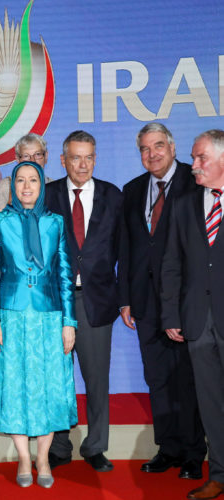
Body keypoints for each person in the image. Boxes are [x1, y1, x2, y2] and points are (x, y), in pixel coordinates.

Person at [118, 123, 206, 479]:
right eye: (144, 149)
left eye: (157, 146)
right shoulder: (133, 189)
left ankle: (192, 453)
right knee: (156, 378)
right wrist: (125, 298)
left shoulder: (193, 181)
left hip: (185, 301)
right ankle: (167, 448)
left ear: (173, 146)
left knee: (186, 378)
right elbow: (127, 248)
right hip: (143, 302)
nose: (151, 154)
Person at [0, 161, 77, 489]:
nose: (26, 187)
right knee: (15, 386)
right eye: (20, 181)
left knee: (50, 386)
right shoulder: (0, 221)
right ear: (12, 185)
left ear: (41, 186)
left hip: (50, 318)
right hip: (10, 317)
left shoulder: (55, 223)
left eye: (33, 181)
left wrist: (69, 322)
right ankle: (23, 457)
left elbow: (65, 275)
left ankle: (43, 457)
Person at [44, 130, 122, 472]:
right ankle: (59, 447)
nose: (83, 164)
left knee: (96, 379)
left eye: (89, 156)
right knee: (57, 378)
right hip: (55, 303)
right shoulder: (46, 196)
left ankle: (95, 446)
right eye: (75, 157)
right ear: (63, 160)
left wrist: (125, 298)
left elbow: (125, 250)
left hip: (97, 300)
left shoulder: (112, 195)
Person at [161, 129, 224, 500]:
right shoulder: (184, 204)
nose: (194, 165)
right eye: (194, 158)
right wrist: (171, 314)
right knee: (211, 405)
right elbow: (170, 264)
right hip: (198, 323)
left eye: (201, 158)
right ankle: (218, 474)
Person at [0, 133, 53, 235]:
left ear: (46, 156)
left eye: (38, 155)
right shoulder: (6, 187)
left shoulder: (54, 187)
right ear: (17, 159)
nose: (32, 160)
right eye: (26, 156)